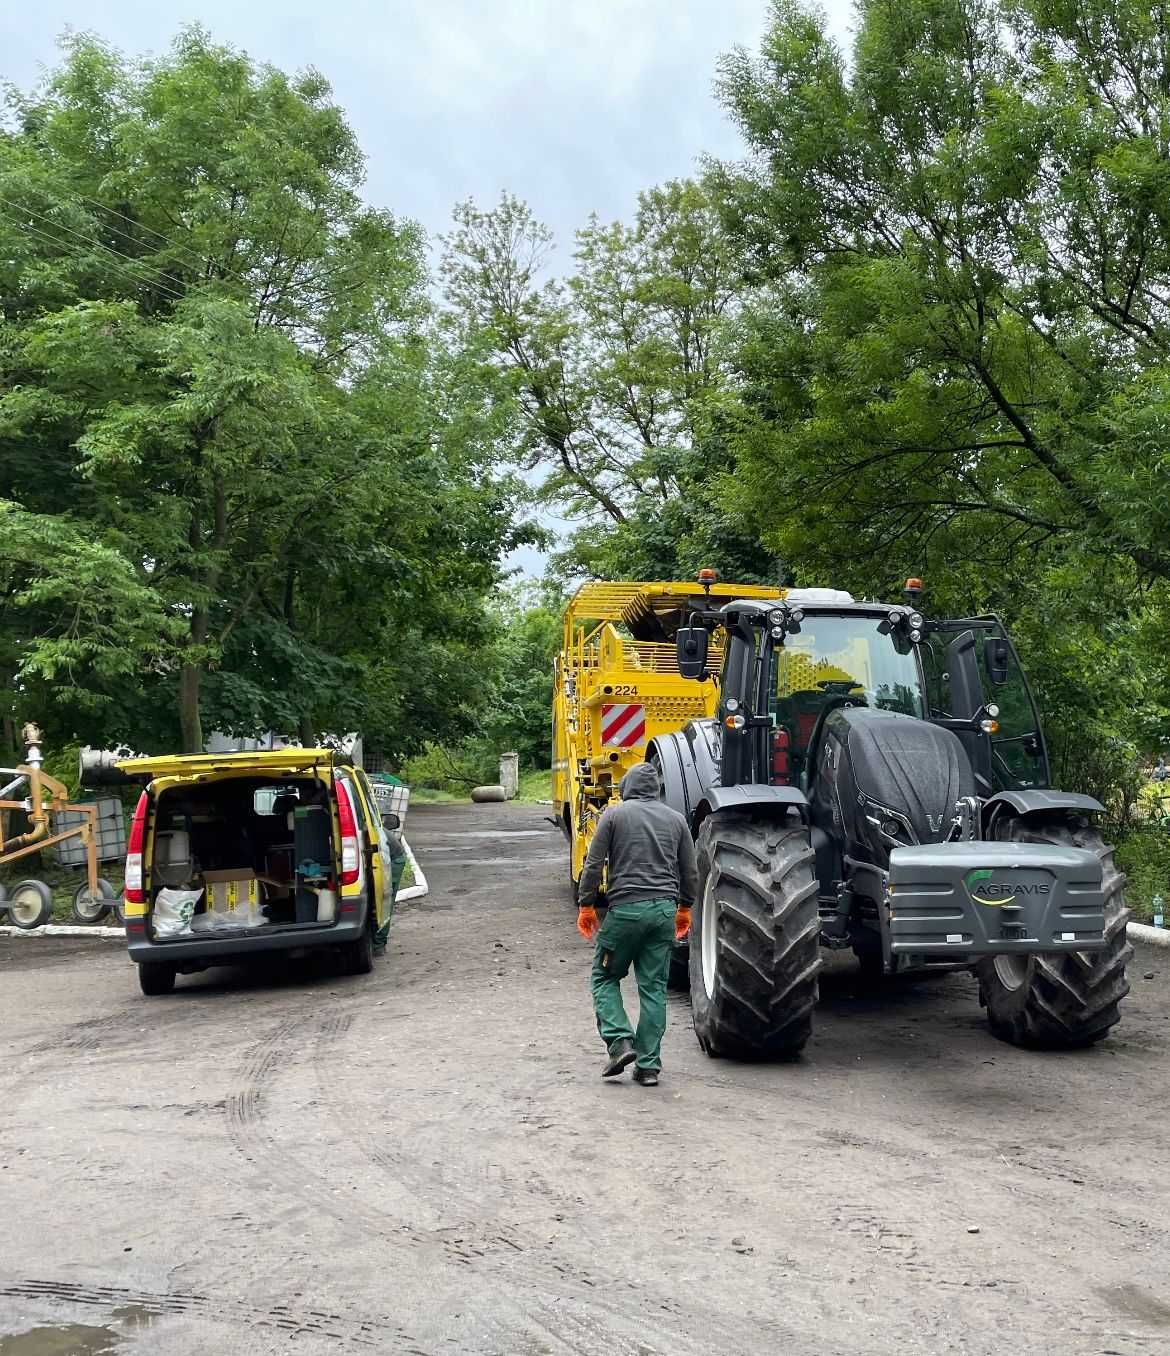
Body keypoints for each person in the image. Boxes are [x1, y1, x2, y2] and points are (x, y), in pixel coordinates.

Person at [576, 762, 698, 1086]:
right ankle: (648, 1067)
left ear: (627, 788)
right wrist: (685, 908)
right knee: (653, 988)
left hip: (626, 911)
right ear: (656, 789)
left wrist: (586, 904)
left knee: (604, 977)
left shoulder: (614, 815)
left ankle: (619, 1043)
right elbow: (691, 871)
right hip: (663, 914)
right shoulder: (676, 820)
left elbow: (593, 863)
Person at [373, 815, 408, 957]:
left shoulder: (374, 832)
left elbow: (383, 860)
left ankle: (379, 944)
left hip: (394, 860)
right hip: (383, 857)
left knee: (384, 899)